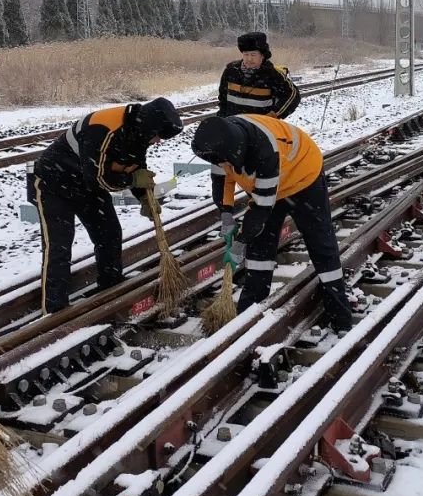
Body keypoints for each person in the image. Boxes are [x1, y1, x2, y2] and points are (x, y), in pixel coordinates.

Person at [190, 115, 353, 332]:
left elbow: (259, 212)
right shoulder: (219, 143)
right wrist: (226, 214)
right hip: (267, 185)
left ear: (238, 152)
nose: (224, 165)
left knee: (321, 244)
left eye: (227, 162)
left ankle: (339, 314)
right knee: (259, 250)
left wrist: (241, 241)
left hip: (303, 176)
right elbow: (222, 182)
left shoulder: (264, 150)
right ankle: (251, 312)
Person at [31, 98, 183, 314]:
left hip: (86, 186)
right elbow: (98, 179)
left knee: (109, 234)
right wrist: (132, 182)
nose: (157, 141)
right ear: (150, 126)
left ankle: (110, 290)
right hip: (54, 183)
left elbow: (134, 167)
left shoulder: (139, 132)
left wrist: (144, 198)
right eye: (158, 136)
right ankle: (54, 311)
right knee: (59, 246)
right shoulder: (104, 128)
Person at [217, 31, 300, 119]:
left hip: (260, 128)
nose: (249, 59)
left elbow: (293, 96)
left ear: (262, 56)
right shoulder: (230, 71)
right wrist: (223, 118)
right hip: (234, 126)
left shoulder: (273, 75)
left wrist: (273, 115)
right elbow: (223, 98)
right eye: (246, 54)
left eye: (253, 55)